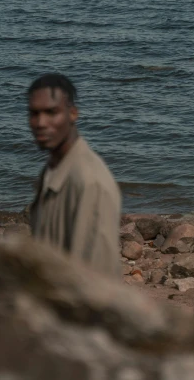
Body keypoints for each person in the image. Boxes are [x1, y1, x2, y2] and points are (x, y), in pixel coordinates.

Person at [26, 74, 121, 277]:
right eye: (34, 113)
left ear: (73, 114)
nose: (41, 122)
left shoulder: (90, 182)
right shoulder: (53, 170)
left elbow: (97, 281)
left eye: (51, 112)